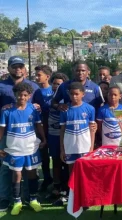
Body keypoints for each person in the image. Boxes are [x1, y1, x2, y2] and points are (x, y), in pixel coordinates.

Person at [0, 83, 46, 215]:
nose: (22, 97)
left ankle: (33, 199)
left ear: (29, 96)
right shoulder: (7, 111)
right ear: (15, 95)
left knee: (32, 172)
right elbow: (2, 129)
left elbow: (39, 125)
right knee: (17, 174)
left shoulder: (33, 109)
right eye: (19, 94)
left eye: (25, 95)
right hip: (14, 148)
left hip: (31, 147)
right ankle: (17, 201)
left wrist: (43, 139)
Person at [59, 82, 96, 174]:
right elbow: (62, 130)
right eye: (72, 94)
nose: (74, 96)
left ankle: (84, 189)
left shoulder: (90, 109)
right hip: (70, 146)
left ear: (83, 94)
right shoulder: (65, 110)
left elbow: (92, 130)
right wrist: (62, 149)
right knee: (72, 171)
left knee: (86, 170)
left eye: (77, 94)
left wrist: (91, 148)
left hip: (85, 146)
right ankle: (72, 189)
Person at [46, 73, 69, 206]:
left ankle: (66, 189)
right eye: (54, 83)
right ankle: (56, 187)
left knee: (66, 162)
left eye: (59, 84)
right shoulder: (51, 100)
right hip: (53, 133)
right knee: (55, 160)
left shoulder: (68, 100)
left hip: (67, 133)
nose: (56, 86)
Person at [32, 65, 53, 192]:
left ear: (47, 77)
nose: (36, 77)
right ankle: (46, 179)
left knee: (56, 156)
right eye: (36, 75)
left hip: (55, 127)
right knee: (44, 155)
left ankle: (59, 181)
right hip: (42, 128)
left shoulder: (54, 90)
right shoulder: (37, 92)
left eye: (39, 75)